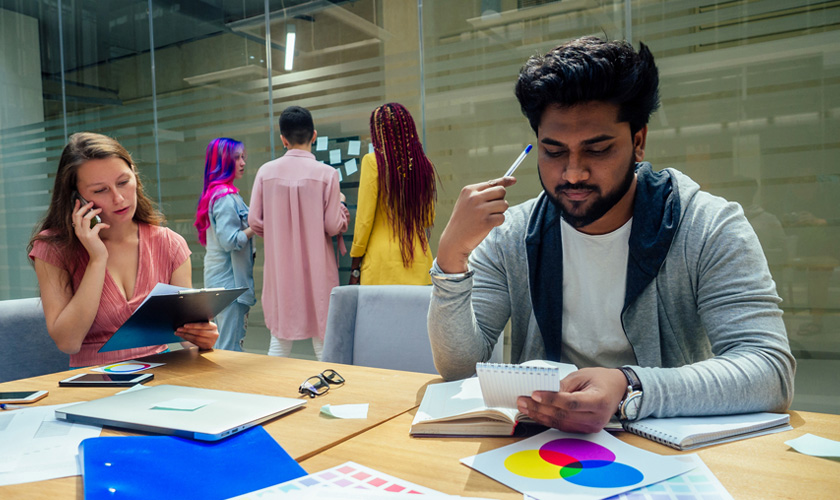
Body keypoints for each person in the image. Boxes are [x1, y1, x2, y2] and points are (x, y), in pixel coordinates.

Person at [428, 37, 795, 434]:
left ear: (638, 142)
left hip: (667, 451)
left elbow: (770, 370)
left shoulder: (707, 226)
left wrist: (629, 386)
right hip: (544, 449)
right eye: (553, 152)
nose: (572, 173)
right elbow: (461, 368)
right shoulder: (512, 235)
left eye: (597, 150)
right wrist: (451, 259)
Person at [28, 132, 219, 368]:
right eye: (100, 190)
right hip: (94, 382)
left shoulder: (169, 243)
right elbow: (68, 342)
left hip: (163, 378)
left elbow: (185, 333)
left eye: (123, 182)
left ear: (135, 178)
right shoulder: (53, 248)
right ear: (75, 198)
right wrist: (97, 259)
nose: (119, 198)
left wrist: (202, 338)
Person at [249, 106, 349, 359]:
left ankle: (273, 397)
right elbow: (332, 226)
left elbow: (255, 221)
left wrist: (278, 232)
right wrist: (342, 209)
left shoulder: (265, 172)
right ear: (313, 135)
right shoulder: (328, 175)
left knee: (279, 342)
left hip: (281, 270)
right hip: (319, 269)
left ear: (283, 139)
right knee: (323, 341)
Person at [349, 103, 437, 285]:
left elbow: (364, 221)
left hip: (381, 265)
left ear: (379, 132)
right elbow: (428, 219)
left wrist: (355, 265)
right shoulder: (423, 164)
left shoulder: (373, 162)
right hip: (419, 262)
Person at [194, 138, 257, 351]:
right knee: (230, 348)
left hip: (222, 282)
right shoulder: (225, 197)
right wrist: (256, 226)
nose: (242, 163)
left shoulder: (217, 194)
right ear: (223, 162)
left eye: (243, 157)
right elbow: (231, 241)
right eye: (236, 158)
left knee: (225, 345)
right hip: (229, 284)